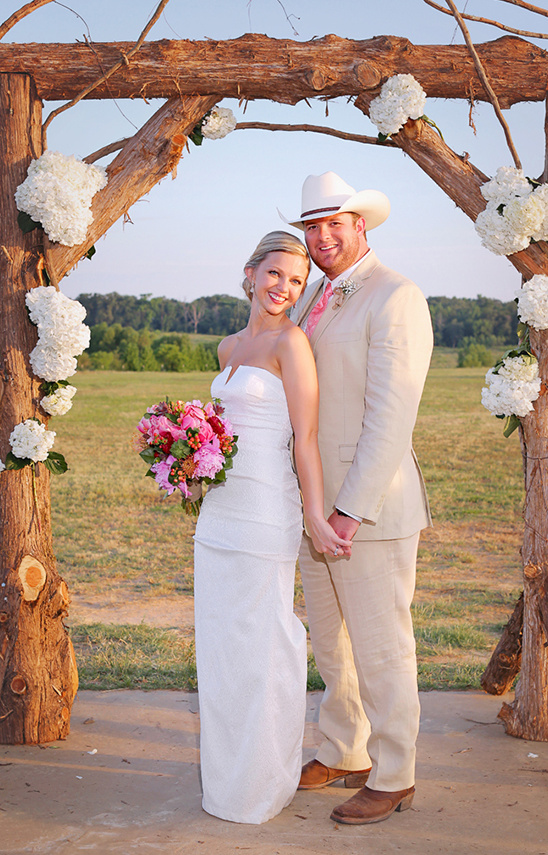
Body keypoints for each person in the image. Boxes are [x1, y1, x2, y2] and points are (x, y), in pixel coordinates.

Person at [280, 172, 433, 825]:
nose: (321, 237)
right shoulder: (316, 293)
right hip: (315, 504)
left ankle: (395, 773)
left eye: (332, 223)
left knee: (381, 644)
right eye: (311, 227)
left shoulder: (395, 296)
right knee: (332, 645)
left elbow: (391, 417)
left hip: (367, 507)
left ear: (360, 224)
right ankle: (346, 747)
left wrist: (348, 508)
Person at [193, 230, 351, 825]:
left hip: (264, 513)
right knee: (221, 646)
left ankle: (260, 783)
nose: (284, 287)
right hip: (218, 517)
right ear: (250, 272)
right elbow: (219, 433)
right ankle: (226, 780)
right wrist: (184, 457)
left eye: (296, 279)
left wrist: (314, 512)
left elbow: (304, 439)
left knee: (262, 644)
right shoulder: (227, 347)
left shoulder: (293, 344)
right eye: (275, 274)